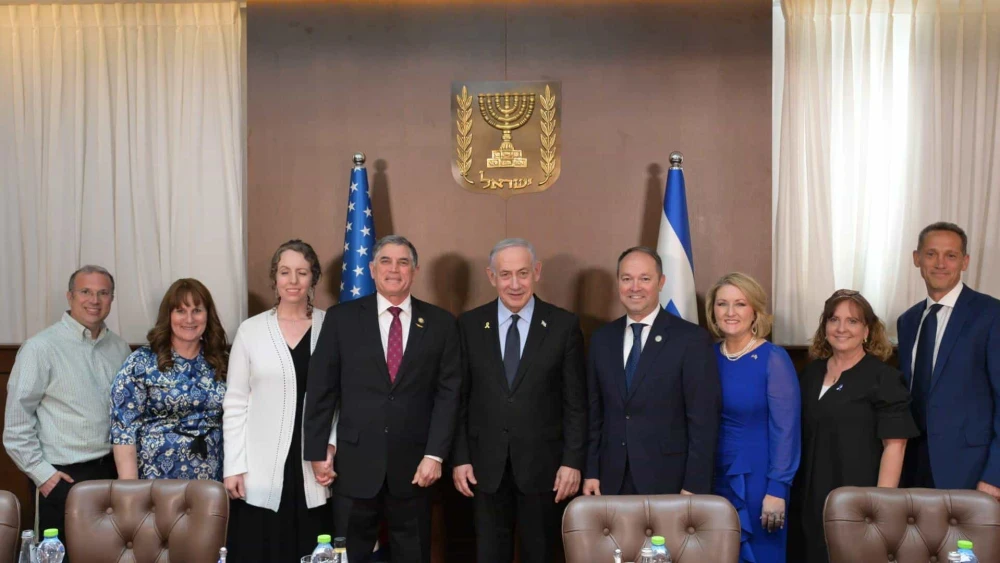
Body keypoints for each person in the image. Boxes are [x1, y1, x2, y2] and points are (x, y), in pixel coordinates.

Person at [304, 235, 462, 563]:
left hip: (416, 468)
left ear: (415, 271)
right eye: (386, 262)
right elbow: (322, 389)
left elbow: (449, 395)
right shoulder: (341, 319)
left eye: (403, 262)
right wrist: (317, 449)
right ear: (372, 270)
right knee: (349, 557)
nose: (394, 269)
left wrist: (435, 455)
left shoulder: (441, 324)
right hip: (354, 466)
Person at [451, 238, 587, 563]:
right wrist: (459, 457)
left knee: (539, 554)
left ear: (536, 272)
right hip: (483, 470)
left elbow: (576, 404)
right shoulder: (469, 325)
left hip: (545, 470)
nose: (514, 284)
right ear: (491, 276)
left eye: (523, 273)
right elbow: (458, 399)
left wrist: (572, 462)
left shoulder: (563, 325)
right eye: (506, 274)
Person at [223, 240, 335, 560]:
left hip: (315, 465)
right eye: (285, 272)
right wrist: (234, 466)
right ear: (274, 278)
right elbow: (235, 404)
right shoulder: (251, 331)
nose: (293, 280)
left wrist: (331, 446)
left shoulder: (333, 327)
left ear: (314, 278)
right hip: (261, 468)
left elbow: (340, 399)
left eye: (302, 272)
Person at [789, 290, 918, 563]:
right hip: (808, 499)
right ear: (825, 327)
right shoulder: (810, 374)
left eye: (852, 321)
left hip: (859, 502)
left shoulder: (883, 378)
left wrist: (880, 505)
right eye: (834, 320)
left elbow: (896, 445)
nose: (841, 328)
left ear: (867, 330)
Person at [583, 246, 720, 496]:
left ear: (661, 282)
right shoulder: (602, 339)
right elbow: (595, 414)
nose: (635, 287)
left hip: (669, 481)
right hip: (610, 480)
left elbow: (703, 421)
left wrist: (694, 484)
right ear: (618, 283)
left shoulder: (690, 339)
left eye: (645, 278)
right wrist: (591, 471)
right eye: (627, 279)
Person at [4, 266, 131, 535]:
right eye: (85, 291)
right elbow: (16, 427)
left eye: (103, 293)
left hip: (112, 473)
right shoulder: (40, 348)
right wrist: (44, 476)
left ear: (112, 299)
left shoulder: (119, 348)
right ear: (70, 296)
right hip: (62, 477)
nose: (94, 300)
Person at [897, 222, 1000, 498]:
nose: (940, 263)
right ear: (916, 258)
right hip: (913, 469)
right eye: (931, 254)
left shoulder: (991, 315)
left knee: (962, 544)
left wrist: (995, 475)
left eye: (951, 255)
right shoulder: (907, 322)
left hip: (971, 472)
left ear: (964, 262)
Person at [707, 273, 800, 563]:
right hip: (712, 477)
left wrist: (777, 489)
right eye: (722, 304)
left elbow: (786, 429)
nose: (730, 312)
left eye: (740, 304)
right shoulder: (706, 356)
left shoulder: (774, 358)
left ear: (755, 311)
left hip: (758, 480)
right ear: (713, 310)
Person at [110, 278, 228, 481]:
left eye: (197, 310)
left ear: (208, 315)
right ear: (168, 315)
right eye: (180, 311)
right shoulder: (141, 362)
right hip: (155, 483)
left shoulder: (222, 361)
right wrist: (129, 491)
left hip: (212, 481)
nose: (189, 319)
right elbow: (124, 430)